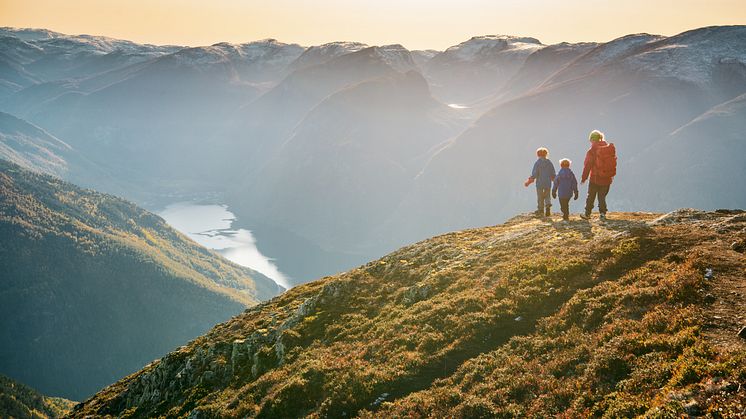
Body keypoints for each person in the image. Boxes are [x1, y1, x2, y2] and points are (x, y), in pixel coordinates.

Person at [580, 130, 617, 221]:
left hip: (595, 178)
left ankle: (587, 214)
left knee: (591, 196)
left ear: (592, 140)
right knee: (602, 197)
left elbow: (587, 165)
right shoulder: (608, 149)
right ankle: (602, 214)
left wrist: (584, 178)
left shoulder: (592, 151)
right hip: (607, 178)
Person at [524, 147, 556, 217]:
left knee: (540, 197)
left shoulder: (537, 163)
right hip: (548, 183)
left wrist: (528, 182)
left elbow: (534, 174)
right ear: (546, 154)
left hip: (540, 183)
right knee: (547, 195)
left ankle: (541, 210)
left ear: (538, 154)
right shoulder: (549, 163)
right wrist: (555, 181)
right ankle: (548, 206)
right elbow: (553, 173)